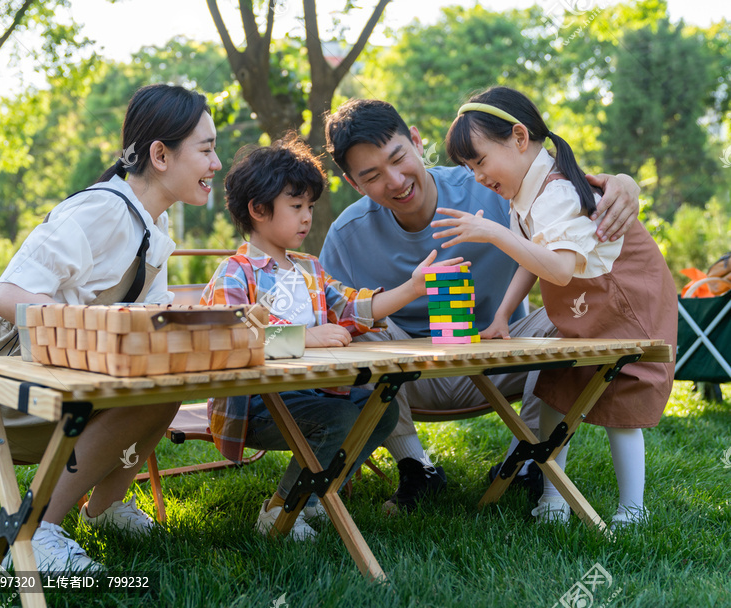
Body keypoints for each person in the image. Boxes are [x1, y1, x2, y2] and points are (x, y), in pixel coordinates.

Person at [0, 84, 223, 570]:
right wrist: (100, 324)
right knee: (151, 392)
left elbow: (146, 321)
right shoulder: (100, 211)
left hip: (66, 382)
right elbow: (7, 296)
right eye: (207, 149)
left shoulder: (156, 225)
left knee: (170, 385)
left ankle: (105, 507)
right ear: (160, 155)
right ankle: (34, 531)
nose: (217, 164)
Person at [320, 98, 643, 514]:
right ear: (354, 184)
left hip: (500, 354)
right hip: (407, 376)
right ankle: (416, 467)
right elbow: (328, 321)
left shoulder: (490, 182)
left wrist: (623, 182)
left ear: (417, 141)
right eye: (373, 176)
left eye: (399, 158)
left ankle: (526, 458)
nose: (396, 180)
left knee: (570, 321)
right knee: (359, 325)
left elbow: (562, 189)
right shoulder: (347, 236)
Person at [200, 135, 463, 539]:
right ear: (258, 210)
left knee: (383, 410)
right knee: (339, 417)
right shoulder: (236, 273)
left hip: (316, 395)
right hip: (256, 407)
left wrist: (411, 289)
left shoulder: (309, 268)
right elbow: (229, 340)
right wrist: (306, 338)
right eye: (296, 206)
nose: (307, 217)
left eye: (309, 206)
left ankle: (316, 493)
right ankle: (280, 508)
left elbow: (352, 308)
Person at [434, 86, 676, 525]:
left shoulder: (556, 191)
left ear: (520, 138)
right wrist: (503, 315)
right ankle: (553, 497)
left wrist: (492, 234)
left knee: (622, 401)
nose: (477, 176)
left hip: (621, 300)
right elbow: (532, 258)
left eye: (480, 161)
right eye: (469, 168)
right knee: (553, 393)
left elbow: (560, 269)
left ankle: (632, 510)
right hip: (586, 306)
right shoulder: (523, 196)